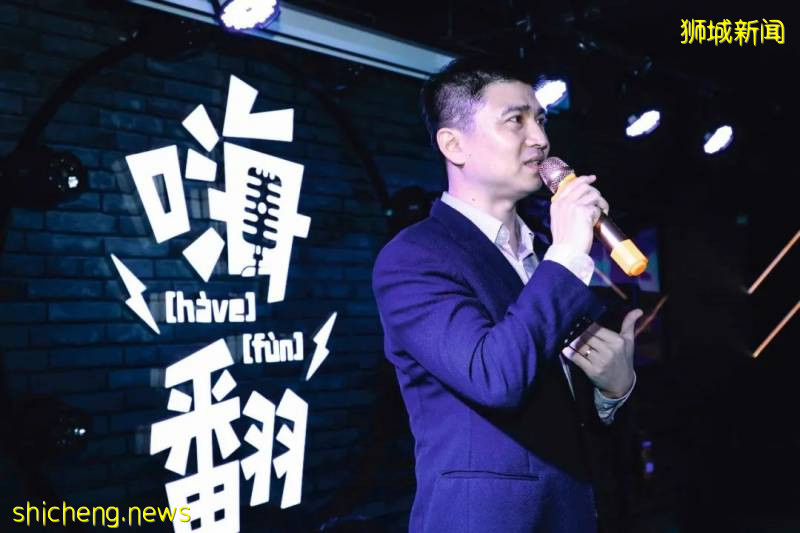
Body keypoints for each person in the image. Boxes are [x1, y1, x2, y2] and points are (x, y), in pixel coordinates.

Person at [371, 56, 643, 533]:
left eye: (541, 120)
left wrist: (613, 390)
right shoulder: (413, 257)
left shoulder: (545, 254)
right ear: (454, 145)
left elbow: (562, 412)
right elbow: (495, 377)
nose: (539, 138)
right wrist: (568, 252)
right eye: (516, 120)